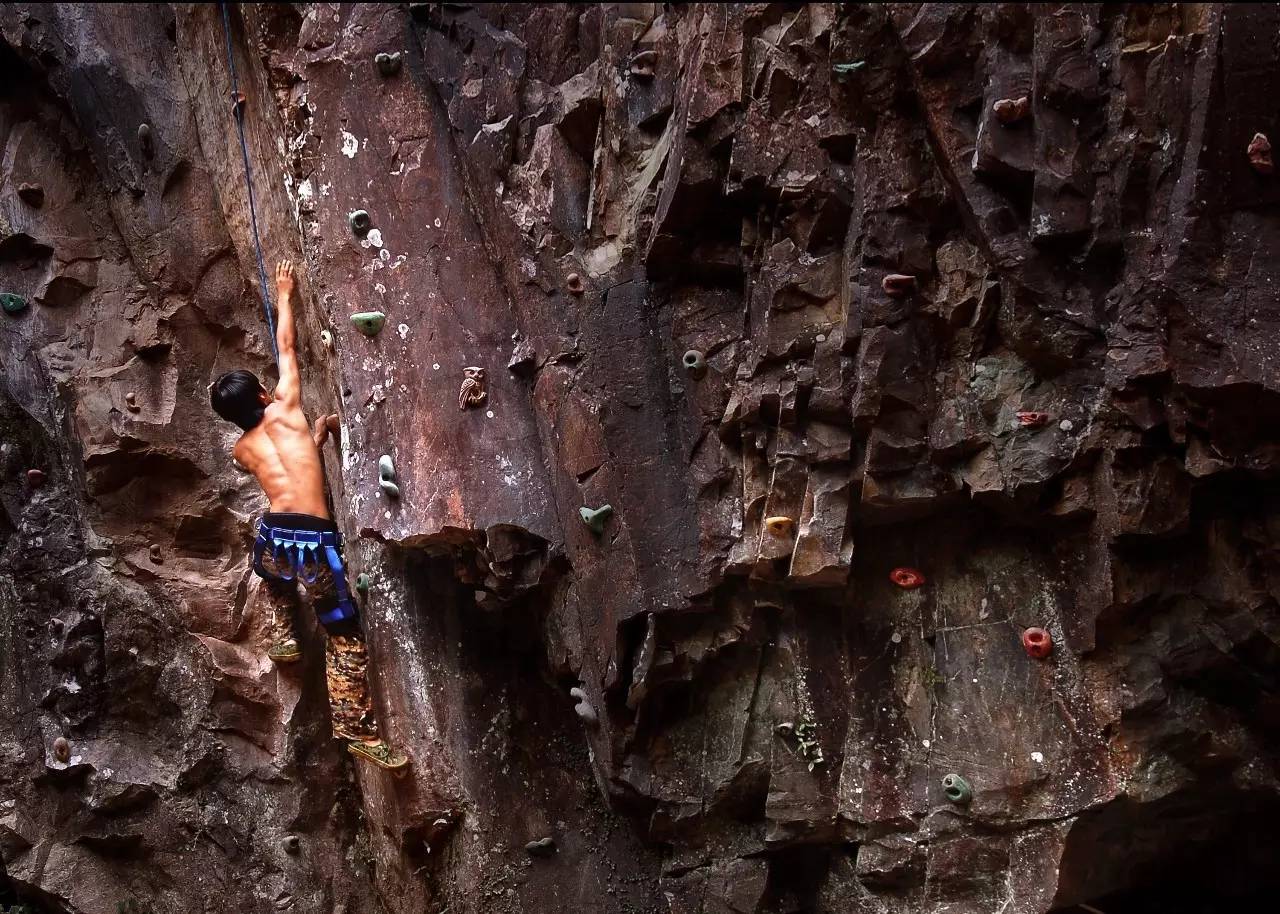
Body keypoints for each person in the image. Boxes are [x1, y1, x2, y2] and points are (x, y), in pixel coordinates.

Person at [209, 260, 406, 770]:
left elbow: (284, 471)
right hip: (315, 543)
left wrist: (315, 439)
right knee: (343, 632)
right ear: (261, 394)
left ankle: (284, 633)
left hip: (275, 538)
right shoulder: (288, 406)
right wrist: (283, 293)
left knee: (270, 571)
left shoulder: (241, 451)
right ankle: (356, 727)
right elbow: (288, 346)